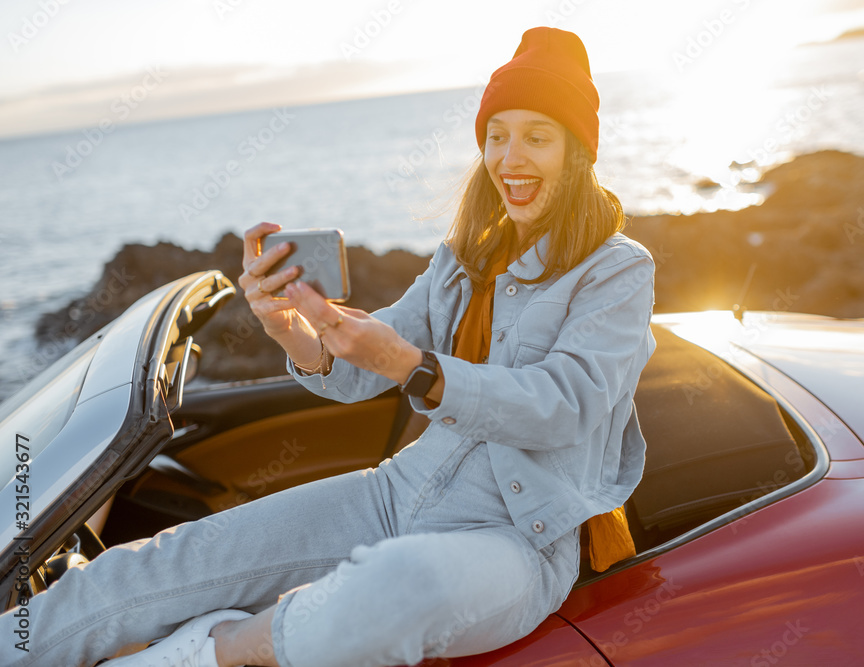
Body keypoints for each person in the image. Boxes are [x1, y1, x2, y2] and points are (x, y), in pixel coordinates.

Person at [0, 26, 655, 667]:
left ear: (578, 152)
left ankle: (211, 649)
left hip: (518, 542)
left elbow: (565, 402)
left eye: (536, 137)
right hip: (398, 493)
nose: (509, 158)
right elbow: (359, 370)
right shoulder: (467, 258)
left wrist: (410, 365)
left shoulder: (618, 271)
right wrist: (293, 328)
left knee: (401, 581)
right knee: (165, 561)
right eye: (496, 135)